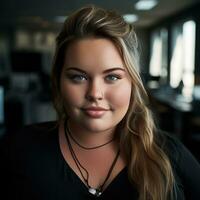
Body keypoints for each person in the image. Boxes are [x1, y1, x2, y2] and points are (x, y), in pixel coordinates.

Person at [1, 5, 200, 200]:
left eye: (112, 77)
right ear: (58, 81)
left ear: (132, 83)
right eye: (78, 77)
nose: (95, 94)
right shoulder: (19, 149)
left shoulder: (170, 155)